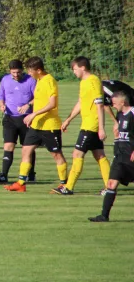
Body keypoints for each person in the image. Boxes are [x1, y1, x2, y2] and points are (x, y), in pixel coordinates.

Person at [4, 56, 68, 192]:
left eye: (30, 70)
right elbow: (38, 101)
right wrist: (32, 114)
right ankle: (21, 183)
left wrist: (33, 114)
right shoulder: (38, 80)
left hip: (50, 126)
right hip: (36, 125)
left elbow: (52, 104)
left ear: (38, 70)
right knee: (26, 150)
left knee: (57, 155)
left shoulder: (49, 81)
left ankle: (64, 184)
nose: (28, 73)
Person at [52, 57, 109, 195]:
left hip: (92, 125)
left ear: (83, 68)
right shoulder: (84, 82)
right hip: (87, 123)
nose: (74, 72)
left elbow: (100, 105)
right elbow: (81, 102)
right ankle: (110, 187)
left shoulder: (93, 81)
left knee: (77, 153)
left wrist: (101, 127)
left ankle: (69, 187)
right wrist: (68, 120)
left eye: (75, 69)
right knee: (99, 155)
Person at [88, 91, 134, 222]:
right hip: (119, 156)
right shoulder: (120, 115)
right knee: (111, 183)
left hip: (131, 156)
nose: (113, 106)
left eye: (114, 103)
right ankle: (104, 216)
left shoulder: (133, 113)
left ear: (123, 102)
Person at [0, 59, 37, 183]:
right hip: (9, 118)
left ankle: (31, 174)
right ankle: (3, 175)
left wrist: (28, 104)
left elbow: (37, 98)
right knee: (8, 145)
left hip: (26, 119)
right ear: (9, 71)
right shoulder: (5, 80)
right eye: (13, 73)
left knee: (27, 148)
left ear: (22, 70)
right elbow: (0, 96)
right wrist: (1, 105)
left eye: (18, 72)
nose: (16, 75)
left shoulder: (31, 80)